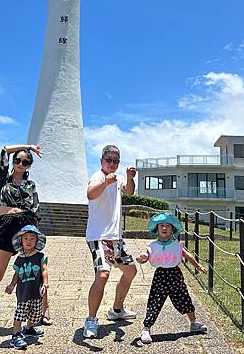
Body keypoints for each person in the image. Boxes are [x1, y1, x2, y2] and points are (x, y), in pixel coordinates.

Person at [0, 143, 44, 338]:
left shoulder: (30, 185)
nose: (20, 164)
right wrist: (29, 146)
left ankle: (30, 322)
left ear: (29, 165)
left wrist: (14, 211)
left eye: (25, 161)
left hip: (26, 230)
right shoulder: (3, 180)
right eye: (18, 160)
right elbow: (4, 150)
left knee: (32, 276)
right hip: (7, 229)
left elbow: (34, 210)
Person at [83, 145, 138, 339]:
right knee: (103, 274)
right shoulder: (98, 176)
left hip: (115, 237)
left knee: (131, 270)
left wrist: (130, 177)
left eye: (116, 161)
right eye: (109, 160)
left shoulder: (118, 178)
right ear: (101, 161)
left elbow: (129, 192)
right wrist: (106, 182)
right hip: (98, 236)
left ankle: (117, 309)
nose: (112, 163)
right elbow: (90, 194)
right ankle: (90, 319)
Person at [136, 212, 208, 344]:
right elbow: (145, 256)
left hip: (175, 275)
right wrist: (141, 258)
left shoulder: (176, 244)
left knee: (184, 298)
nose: (164, 228)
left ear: (172, 229)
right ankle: (146, 328)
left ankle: (193, 323)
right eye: (161, 226)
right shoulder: (152, 245)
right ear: (157, 229)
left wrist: (198, 266)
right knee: (155, 301)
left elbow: (188, 256)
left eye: (167, 226)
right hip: (160, 276)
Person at [4, 225, 49, 350]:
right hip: (23, 292)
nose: (29, 241)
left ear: (37, 241)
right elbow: (16, 274)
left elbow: (44, 270)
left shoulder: (40, 256)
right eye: (26, 239)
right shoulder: (19, 259)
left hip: (36, 291)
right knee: (20, 313)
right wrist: (12, 285)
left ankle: (29, 328)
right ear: (21, 241)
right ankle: (16, 335)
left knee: (35, 314)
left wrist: (45, 283)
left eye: (32, 238)